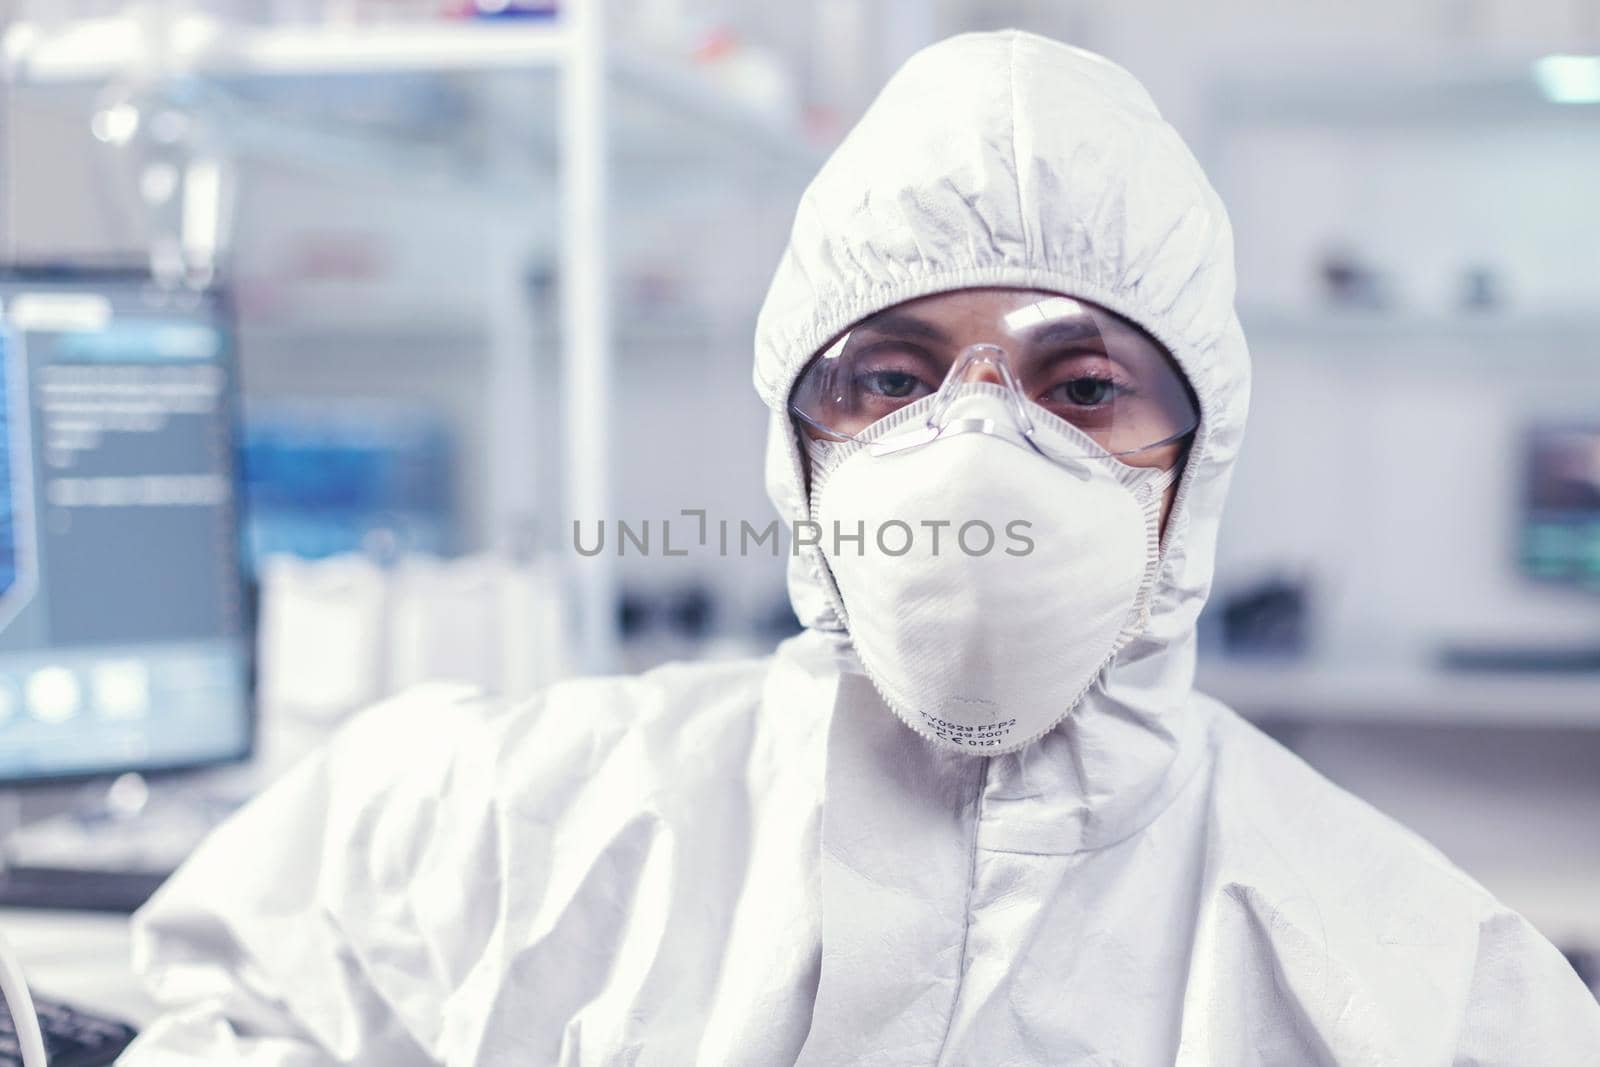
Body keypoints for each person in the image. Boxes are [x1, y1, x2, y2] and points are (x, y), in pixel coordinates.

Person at [120, 29, 1600, 1065]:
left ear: (1193, 467)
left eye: (1080, 390)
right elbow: (242, 1000)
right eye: (889, 381)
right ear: (798, 445)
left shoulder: (1409, 976)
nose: (975, 459)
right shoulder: (527, 821)